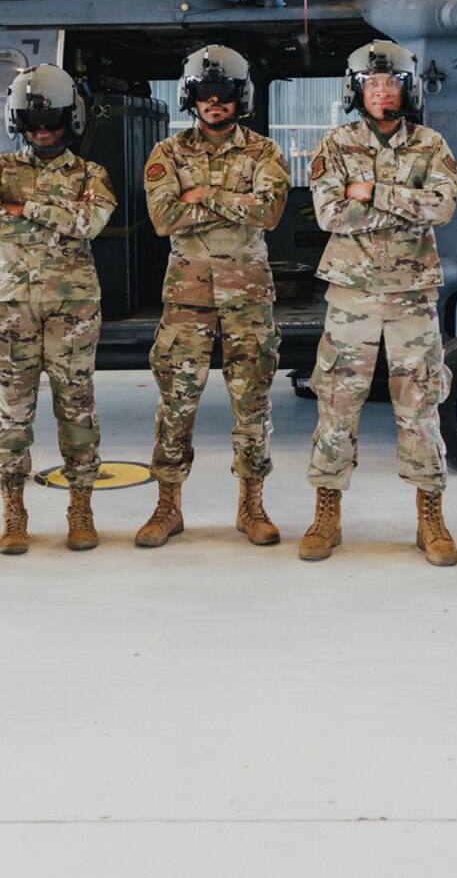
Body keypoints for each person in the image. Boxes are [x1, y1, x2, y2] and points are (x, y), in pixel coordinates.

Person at [298, 40, 457, 565]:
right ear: (357, 90)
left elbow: (442, 206)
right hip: (353, 294)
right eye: (372, 83)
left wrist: (373, 192)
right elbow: (329, 213)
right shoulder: (336, 142)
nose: (382, 91)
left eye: (391, 83)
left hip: (412, 296)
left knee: (421, 405)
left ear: (407, 88)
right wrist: (402, 205)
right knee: (338, 403)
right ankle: (326, 513)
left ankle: (430, 518)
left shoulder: (430, 144)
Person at [136, 45, 291, 548]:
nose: (215, 102)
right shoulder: (167, 154)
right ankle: (167, 507)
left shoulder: (265, 152)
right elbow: (163, 219)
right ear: (191, 98)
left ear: (238, 98)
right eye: (205, 94)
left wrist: (202, 196)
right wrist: (237, 204)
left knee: (252, 403)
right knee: (176, 405)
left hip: (248, 297)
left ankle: (252, 506)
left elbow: (269, 213)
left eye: (224, 94)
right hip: (187, 298)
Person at [0, 63, 116, 554]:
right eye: (33, 123)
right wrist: (59, 218)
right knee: (13, 409)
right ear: (20, 124)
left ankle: (81, 504)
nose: (43, 130)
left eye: (51, 121)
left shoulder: (92, 173)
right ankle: (13, 508)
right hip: (11, 307)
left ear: (69, 120)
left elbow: (90, 223)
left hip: (73, 308)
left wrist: (23, 208)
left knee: (76, 405)